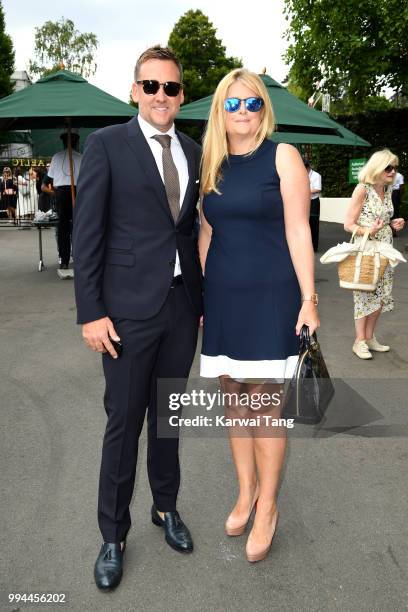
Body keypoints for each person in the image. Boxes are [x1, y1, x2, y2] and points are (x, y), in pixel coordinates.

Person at [73, 45, 202, 590]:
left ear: (180, 95)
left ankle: (165, 508)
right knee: (124, 422)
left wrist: (202, 302)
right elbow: (88, 234)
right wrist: (91, 313)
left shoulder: (194, 150)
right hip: (125, 312)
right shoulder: (106, 145)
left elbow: (191, 230)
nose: (161, 96)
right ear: (135, 90)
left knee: (169, 417)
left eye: (170, 88)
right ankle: (113, 533)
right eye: (151, 86)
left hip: (180, 306)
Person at [198, 68, 319, 563]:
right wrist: (205, 296)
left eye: (252, 104)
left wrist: (309, 298)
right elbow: (206, 233)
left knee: (266, 406)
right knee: (234, 402)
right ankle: (245, 493)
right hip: (224, 297)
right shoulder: (213, 161)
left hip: (273, 297)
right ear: (220, 111)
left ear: (263, 109)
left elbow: (298, 230)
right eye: (233, 104)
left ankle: (267, 506)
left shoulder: (283, 156)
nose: (243, 112)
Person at [344, 149, 405, 359]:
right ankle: (358, 341)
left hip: (386, 249)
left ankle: (370, 337)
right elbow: (348, 224)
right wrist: (370, 231)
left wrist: (394, 223)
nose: (392, 171)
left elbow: (383, 219)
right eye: (388, 167)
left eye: (394, 167)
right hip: (367, 250)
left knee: (381, 294)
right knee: (364, 294)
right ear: (377, 168)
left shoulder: (387, 190)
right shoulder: (363, 189)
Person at [47, 130, 82, 269]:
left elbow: (52, 177)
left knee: (64, 227)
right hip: (75, 191)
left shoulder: (57, 157)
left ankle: (65, 259)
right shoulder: (80, 157)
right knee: (76, 226)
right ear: (75, 142)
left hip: (64, 192)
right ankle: (75, 257)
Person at [304, 159, 322, 252]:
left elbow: (318, 189)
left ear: (308, 167)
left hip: (314, 201)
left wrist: (306, 191)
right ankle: (306, 246)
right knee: (305, 223)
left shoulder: (316, 176)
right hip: (304, 201)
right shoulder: (302, 174)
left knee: (314, 224)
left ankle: (314, 247)